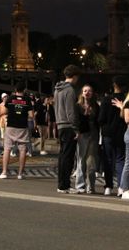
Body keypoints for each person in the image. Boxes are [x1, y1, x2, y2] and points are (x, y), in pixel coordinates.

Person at [98, 76, 128, 196]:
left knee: (108, 160)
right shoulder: (126, 99)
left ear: (114, 85)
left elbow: (101, 119)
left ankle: (108, 186)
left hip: (108, 133)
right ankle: (121, 186)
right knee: (120, 159)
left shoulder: (106, 100)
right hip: (121, 132)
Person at [54, 65, 81, 193]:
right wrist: (76, 129)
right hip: (68, 126)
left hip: (60, 124)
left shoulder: (57, 89)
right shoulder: (70, 90)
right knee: (68, 157)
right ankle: (65, 185)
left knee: (62, 156)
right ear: (75, 76)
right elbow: (71, 112)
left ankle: (61, 184)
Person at [0, 82, 34, 180]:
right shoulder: (27, 100)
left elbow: (5, 111)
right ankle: (20, 174)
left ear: (15, 90)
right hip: (22, 127)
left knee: (7, 149)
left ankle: (4, 172)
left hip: (11, 126)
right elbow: (31, 115)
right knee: (22, 149)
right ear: (24, 90)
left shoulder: (10, 98)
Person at [75, 84, 99, 194]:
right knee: (81, 160)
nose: (87, 92)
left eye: (89, 91)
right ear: (82, 93)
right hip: (82, 135)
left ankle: (91, 186)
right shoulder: (78, 106)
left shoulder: (96, 106)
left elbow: (99, 121)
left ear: (92, 93)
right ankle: (80, 185)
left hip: (93, 135)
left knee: (91, 162)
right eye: (85, 91)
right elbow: (76, 120)